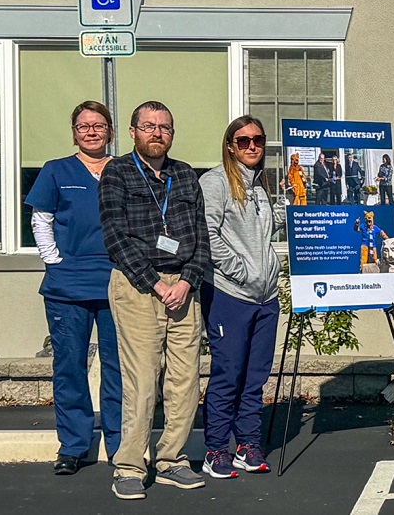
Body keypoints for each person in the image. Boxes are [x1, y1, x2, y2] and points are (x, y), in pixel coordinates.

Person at [99, 101, 210, 499]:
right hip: (138, 286)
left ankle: (171, 460)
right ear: (133, 132)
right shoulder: (117, 172)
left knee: (184, 380)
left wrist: (187, 281)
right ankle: (129, 465)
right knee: (143, 381)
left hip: (183, 287)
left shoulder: (183, 175)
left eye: (164, 127)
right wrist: (157, 285)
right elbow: (115, 237)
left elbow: (201, 238)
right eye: (148, 126)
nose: (157, 133)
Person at [24, 101, 122, 476]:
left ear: (110, 131)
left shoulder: (125, 170)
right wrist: (54, 261)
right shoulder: (56, 171)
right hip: (67, 287)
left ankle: (119, 444)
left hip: (118, 284)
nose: (92, 131)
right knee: (70, 367)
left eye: (99, 125)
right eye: (84, 126)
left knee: (119, 369)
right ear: (74, 132)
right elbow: (42, 219)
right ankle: (74, 445)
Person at [199, 116, 284, 479]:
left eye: (258, 140)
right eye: (244, 140)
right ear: (230, 145)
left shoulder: (260, 186)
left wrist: (293, 207)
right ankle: (216, 448)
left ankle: (248, 444)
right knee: (228, 374)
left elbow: (268, 229)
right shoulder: (215, 183)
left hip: (266, 298)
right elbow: (208, 234)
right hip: (230, 295)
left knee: (255, 377)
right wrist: (242, 270)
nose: (252, 146)